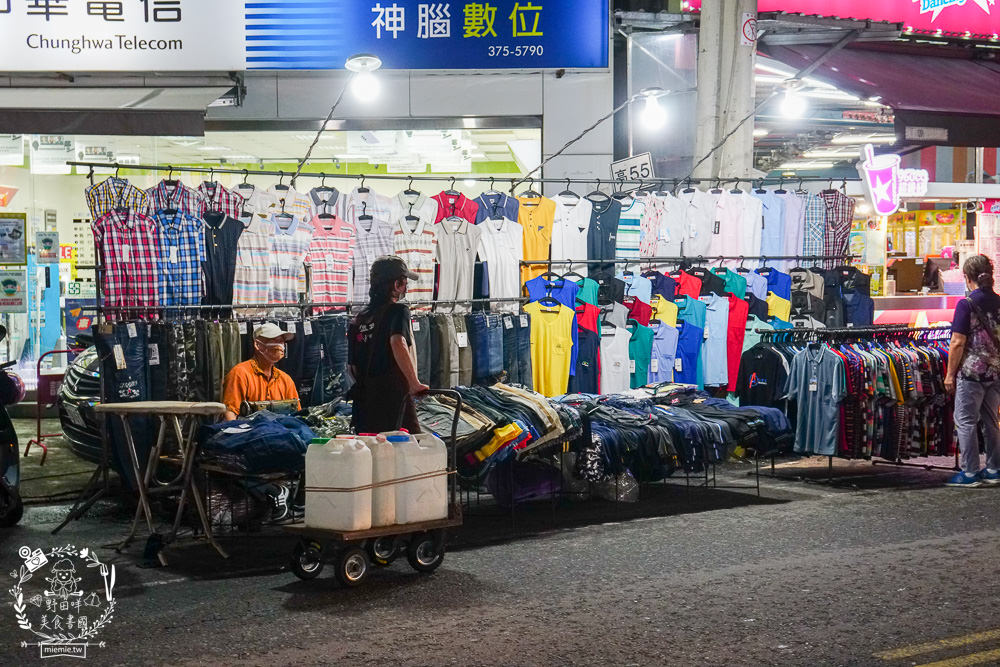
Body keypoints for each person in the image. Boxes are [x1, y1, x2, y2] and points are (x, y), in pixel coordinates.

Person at [348, 255, 428, 434]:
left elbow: (351, 368)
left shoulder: (358, 319)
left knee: (372, 454)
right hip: (395, 399)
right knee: (409, 449)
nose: (406, 287)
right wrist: (414, 384)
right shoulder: (398, 311)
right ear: (397, 285)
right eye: (405, 282)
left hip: (364, 403)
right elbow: (397, 342)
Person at [945, 254, 1000, 487]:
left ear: (967, 278)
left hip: (971, 373)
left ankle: (969, 473)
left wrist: (949, 375)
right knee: (991, 421)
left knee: (966, 421)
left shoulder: (965, 304)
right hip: (995, 371)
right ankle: (994, 469)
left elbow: (957, 342)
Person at [221, 323, 300, 422]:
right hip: (249, 434)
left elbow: (296, 414)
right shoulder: (240, 374)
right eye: (274, 341)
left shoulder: (285, 380)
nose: (280, 346)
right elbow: (230, 413)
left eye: (282, 342)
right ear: (258, 345)